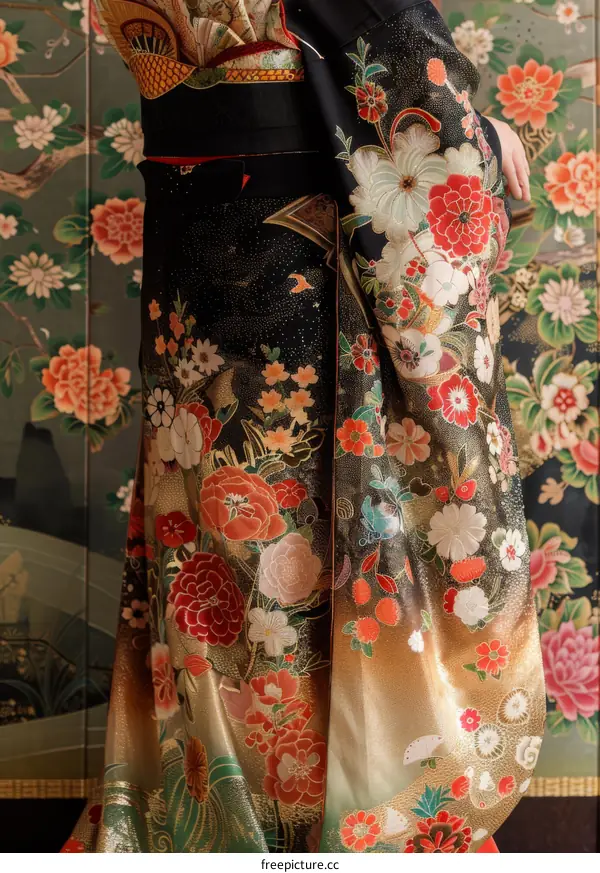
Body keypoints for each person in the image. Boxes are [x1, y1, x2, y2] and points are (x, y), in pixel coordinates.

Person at [64, 0, 544, 853]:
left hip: (196, 252)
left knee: (216, 523)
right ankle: (316, 834)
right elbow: (408, 77)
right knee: (299, 539)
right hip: (296, 263)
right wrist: (480, 140)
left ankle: (212, 816)